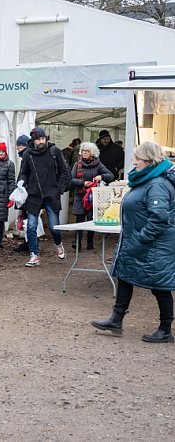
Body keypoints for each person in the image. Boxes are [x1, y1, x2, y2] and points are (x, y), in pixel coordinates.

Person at [91, 141, 175, 344]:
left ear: (149, 160)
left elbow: (159, 217)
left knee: (160, 286)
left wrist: (141, 238)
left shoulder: (157, 184)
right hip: (139, 242)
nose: (134, 162)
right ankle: (116, 320)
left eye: (137, 159)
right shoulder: (147, 179)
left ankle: (165, 329)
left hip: (155, 245)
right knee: (125, 276)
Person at [18, 127, 71, 267]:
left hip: (51, 195)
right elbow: (24, 172)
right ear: (33, 140)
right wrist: (21, 183)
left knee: (54, 227)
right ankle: (34, 255)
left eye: (43, 138)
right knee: (31, 226)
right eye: (38, 139)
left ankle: (58, 244)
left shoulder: (55, 151)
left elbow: (64, 171)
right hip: (33, 195)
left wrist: (59, 189)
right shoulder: (28, 154)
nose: (41, 141)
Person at [69, 142, 114, 250]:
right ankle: (77, 242)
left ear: (92, 153)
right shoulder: (77, 164)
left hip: (93, 196)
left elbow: (110, 176)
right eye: (83, 151)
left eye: (87, 151)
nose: (84, 153)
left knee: (90, 219)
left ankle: (90, 242)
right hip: (80, 195)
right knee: (79, 219)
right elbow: (71, 179)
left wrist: (101, 176)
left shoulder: (98, 164)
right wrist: (83, 183)